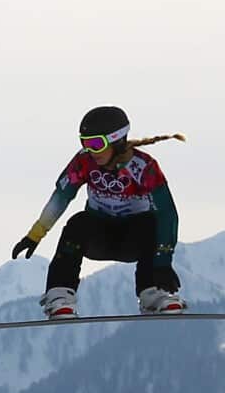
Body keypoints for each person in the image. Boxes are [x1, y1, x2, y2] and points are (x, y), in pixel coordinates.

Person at [12, 106, 187, 319]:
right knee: (78, 223)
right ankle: (59, 297)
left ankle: (153, 293)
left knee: (151, 223)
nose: (91, 151)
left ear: (117, 141)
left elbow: (167, 214)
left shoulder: (144, 167)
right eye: (84, 143)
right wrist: (34, 235)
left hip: (135, 240)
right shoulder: (83, 161)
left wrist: (163, 261)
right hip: (99, 236)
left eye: (96, 143)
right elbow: (61, 197)